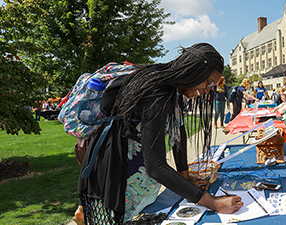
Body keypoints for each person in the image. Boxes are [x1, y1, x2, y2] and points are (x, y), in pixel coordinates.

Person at [77, 43, 243, 224]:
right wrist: (211, 201)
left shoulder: (175, 93)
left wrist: (185, 181)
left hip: (130, 178)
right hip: (114, 177)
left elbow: (178, 137)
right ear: (195, 70)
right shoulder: (157, 93)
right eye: (209, 81)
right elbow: (155, 166)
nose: (209, 89)